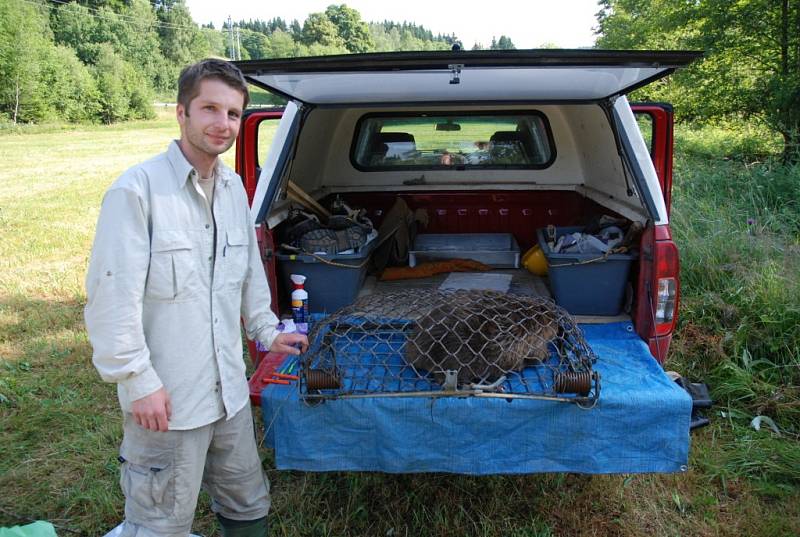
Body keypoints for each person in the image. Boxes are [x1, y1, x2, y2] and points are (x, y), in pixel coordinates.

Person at [84, 58, 308, 537]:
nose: (222, 124)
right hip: (167, 401)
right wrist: (138, 380)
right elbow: (110, 298)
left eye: (232, 113)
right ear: (182, 113)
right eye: (209, 108)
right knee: (160, 522)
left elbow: (247, 274)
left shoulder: (233, 189)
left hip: (227, 393)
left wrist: (268, 331)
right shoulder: (137, 192)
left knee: (248, 503)